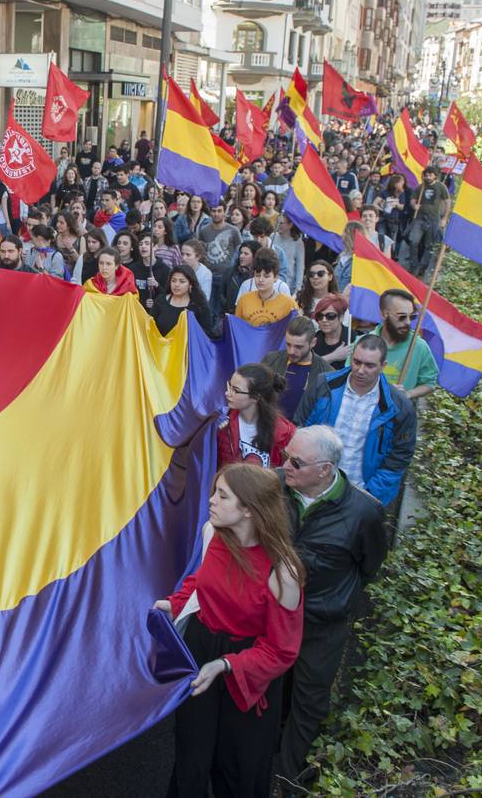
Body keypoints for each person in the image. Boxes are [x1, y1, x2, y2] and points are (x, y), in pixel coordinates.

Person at [156, 464, 303, 796]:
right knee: (191, 757)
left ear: (249, 510)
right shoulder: (211, 532)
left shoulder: (283, 571)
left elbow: (282, 650)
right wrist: (174, 603)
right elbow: (201, 579)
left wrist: (226, 665)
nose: (211, 501)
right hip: (201, 649)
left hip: (249, 667)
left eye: (222, 495)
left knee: (239, 766)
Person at [274, 426, 388, 792]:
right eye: (285, 455)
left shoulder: (365, 512)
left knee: (309, 700)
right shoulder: (274, 486)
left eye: (296, 461)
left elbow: (370, 564)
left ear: (325, 470)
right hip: (275, 614)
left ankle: (286, 778)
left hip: (322, 623)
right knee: (273, 688)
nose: (284, 465)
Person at [294, 336, 418, 507]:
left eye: (369, 365)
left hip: (359, 494)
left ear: (383, 366)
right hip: (313, 486)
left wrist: (371, 494)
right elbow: (300, 427)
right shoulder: (323, 385)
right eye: (357, 362)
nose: (360, 370)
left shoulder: (399, 407)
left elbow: (399, 457)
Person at [360, 288, 438, 400]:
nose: (408, 322)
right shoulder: (363, 342)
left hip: (399, 412)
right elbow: (350, 375)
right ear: (384, 314)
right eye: (402, 317)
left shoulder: (419, 346)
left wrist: (407, 394)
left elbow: (429, 383)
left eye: (412, 317)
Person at [219, 363, 295, 468]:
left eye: (235, 390)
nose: (227, 393)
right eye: (229, 386)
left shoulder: (285, 433)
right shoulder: (222, 423)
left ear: (256, 397)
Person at [261, 316, 333, 421]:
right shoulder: (271, 359)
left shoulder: (327, 373)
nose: (291, 351)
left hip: (301, 433)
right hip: (268, 426)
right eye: (288, 344)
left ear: (313, 343)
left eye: (298, 347)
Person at [234, 250, 298, 326]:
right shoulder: (244, 300)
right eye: (257, 275)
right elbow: (237, 328)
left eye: (266, 276)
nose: (260, 279)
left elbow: (295, 332)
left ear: (275, 277)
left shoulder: (289, 304)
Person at [199, 202, 242, 314]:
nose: (216, 214)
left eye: (219, 211)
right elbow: (201, 251)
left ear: (224, 212)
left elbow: (239, 251)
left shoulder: (233, 230)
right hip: (210, 276)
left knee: (225, 309)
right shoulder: (203, 230)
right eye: (214, 211)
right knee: (209, 308)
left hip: (227, 276)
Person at [151, 265, 213, 338]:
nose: (176, 285)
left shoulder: (199, 305)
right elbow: (151, 327)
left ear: (190, 284)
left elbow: (207, 334)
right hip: (161, 347)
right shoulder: (160, 300)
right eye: (173, 280)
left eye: (182, 281)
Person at [129, 233, 171, 310]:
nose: (143, 246)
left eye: (147, 244)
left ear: (155, 247)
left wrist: (156, 285)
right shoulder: (133, 269)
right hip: (137, 311)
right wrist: (143, 302)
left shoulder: (165, 270)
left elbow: (168, 295)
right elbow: (130, 294)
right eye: (140, 244)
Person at [311, 294, 352, 369]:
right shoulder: (314, 339)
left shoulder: (352, 337)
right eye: (320, 316)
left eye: (330, 316)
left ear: (341, 317)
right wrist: (333, 356)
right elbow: (306, 366)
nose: (324, 320)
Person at [220, 241, 259, 316]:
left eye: (246, 254)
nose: (241, 256)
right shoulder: (230, 272)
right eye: (241, 253)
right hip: (230, 315)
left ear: (255, 256)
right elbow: (222, 293)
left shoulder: (258, 276)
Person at [273, 215, 305, 293]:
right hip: (273, 281)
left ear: (290, 225)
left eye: (281, 223)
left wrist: (298, 289)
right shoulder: (272, 237)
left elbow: (300, 267)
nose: (278, 225)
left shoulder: (298, 243)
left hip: (289, 284)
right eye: (277, 222)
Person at [179, 239, 213, 305]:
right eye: (182, 254)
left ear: (198, 257)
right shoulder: (178, 268)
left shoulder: (205, 273)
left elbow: (205, 298)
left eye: (188, 255)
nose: (184, 258)